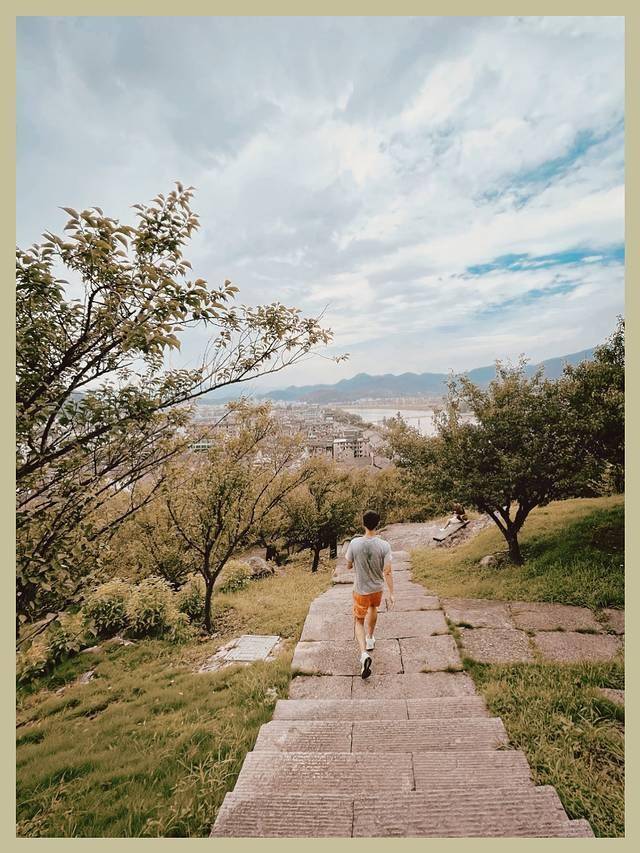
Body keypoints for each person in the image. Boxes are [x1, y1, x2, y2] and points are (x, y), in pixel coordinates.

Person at [344, 509, 394, 679]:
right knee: (374, 607)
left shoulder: (354, 543)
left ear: (363, 523)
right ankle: (371, 637)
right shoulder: (384, 545)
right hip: (377, 588)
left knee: (358, 620)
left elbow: (348, 565)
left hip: (361, 589)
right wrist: (391, 593)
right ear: (377, 524)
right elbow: (387, 571)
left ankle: (364, 653)